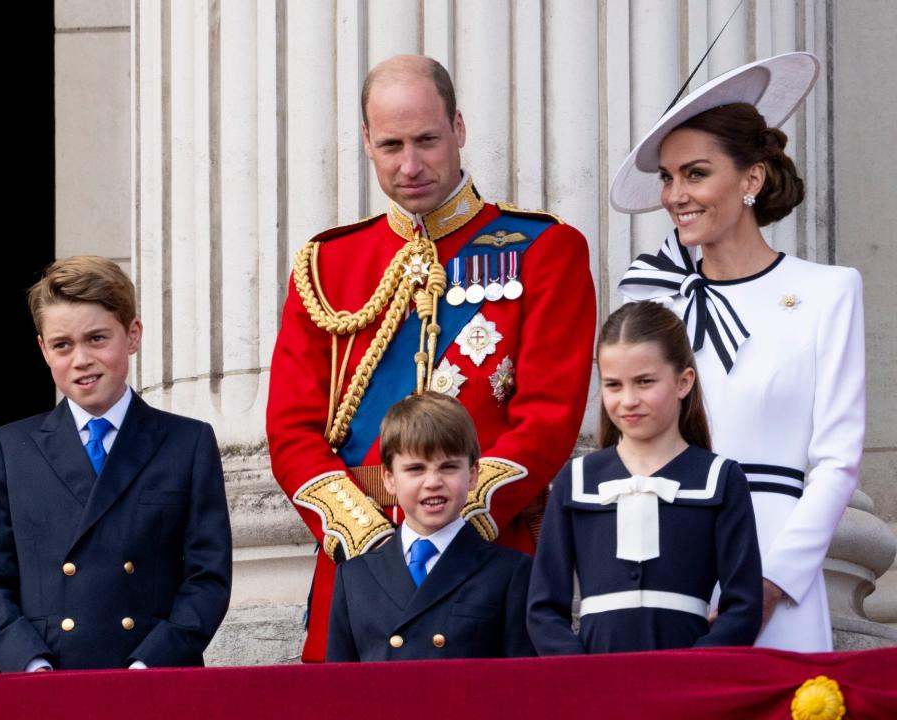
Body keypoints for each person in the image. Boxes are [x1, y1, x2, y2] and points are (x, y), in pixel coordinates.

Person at [267, 54, 596, 661]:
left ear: (460, 128)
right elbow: (290, 429)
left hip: (486, 564)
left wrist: (451, 525)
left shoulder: (545, 250)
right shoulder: (327, 265)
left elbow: (548, 421)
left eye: (427, 140)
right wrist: (364, 537)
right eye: (391, 145)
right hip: (355, 569)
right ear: (366, 141)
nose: (410, 165)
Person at [612, 52, 864, 652]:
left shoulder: (829, 290)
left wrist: (771, 584)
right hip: (665, 554)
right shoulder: (652, 299)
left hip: (776, 555)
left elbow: (836, 462)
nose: (675, 195)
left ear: (750, 179)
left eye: (695, 174)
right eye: (668, 177)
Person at [0, 256, 232, 671]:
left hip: (154, 681)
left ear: (133, 335)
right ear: (43, 350)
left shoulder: (187, 443)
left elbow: (207, 578)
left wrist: (149, 665)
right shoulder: (9, 448)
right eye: (63, 345)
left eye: (97, 339)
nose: (81, 359)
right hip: (48, 685)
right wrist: (32, 666)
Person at [527, 302, 761, 654]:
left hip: (688, 685)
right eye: (613, 385)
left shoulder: (720, 478)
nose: (629, 400)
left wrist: (696, 671)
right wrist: (577, 672)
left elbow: (743, 606)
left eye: (645, 382)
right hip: (595, 687)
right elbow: (543, 608)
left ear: (683, 382)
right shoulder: (575, 480)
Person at [326, 392, 534, 661]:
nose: (433, 482)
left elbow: (522, 688)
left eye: (448, 467)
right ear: (389, 479)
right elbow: (340, 692)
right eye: (415, 469)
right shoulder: (354, 577)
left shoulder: (510, 573)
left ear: (472, 475)